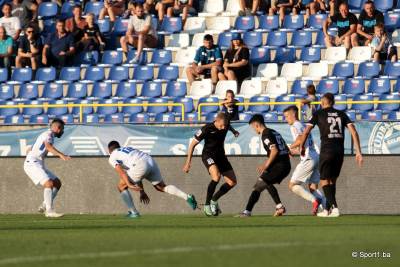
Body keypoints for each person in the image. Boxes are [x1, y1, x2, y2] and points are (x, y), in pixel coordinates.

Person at [299, 93, 363, 217]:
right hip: (339, 151)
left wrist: (302, 146)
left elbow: (306, 131)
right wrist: (358, 152)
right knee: (332, 181)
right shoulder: (342, 114)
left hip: (327, 150)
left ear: (322, 102)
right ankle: (327, 210)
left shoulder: (318, 114)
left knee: (324, 180)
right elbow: (353, 131)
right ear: (333, 102)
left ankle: (335, 208)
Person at [108, 141, 197, 218]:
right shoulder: (127, 149)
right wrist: (142, 191)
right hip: (150, 161)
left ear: (109, 150)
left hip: (139, 164)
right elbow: (136, 174)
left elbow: (122, 172)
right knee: (161, 187)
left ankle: (133, 212)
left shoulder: (112, 156)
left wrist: (128, 184)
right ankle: (187, 197)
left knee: (121, 186)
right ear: (119, 146)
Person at [183, 112, 238, 216]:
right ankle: (207, 205)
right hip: (208, 156)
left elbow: (228, 126)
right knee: (216, 176)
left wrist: (234, 131)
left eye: (225, 125)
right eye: (221, 125)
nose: (223, 128)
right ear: (216, 121)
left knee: (232, 182)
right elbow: (192, 145)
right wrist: (188, 163)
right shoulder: (206, 129)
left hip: (221, 156)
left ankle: (214, 200)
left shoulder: (226, 125)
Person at [237, 114, 291, 217]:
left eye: (253, 127)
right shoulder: (274, 132)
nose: (253, 130)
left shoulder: (265, 134)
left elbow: (274, 151)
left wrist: (265, 166)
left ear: (256, 124)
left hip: (279, 166)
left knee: (258, 186)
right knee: (265, 183)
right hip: (284, 164)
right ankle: (279, 207)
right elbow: (285, 148)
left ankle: (247, 212)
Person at [23, 118, 71, 218]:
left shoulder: (47, 134)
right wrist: (61, 155)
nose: (62, 131)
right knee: (48, 183)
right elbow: (48, 147)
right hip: (32, 163)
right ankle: (49, 211)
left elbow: (33, 148)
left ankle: (45, 204)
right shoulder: (48, 135)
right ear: (58, 128)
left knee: (57, 183)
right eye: (62, 129)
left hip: (38, 163)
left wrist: (30, 151)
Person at [283, 105, 326, 215]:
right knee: (312, 187)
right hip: (315, 156)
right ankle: (327, 208)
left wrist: (289, 147)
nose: (285, 119)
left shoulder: (295, 126)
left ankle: (314, 201)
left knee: (292, 185)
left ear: (293, 115)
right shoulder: (302, 125)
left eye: (287, 116)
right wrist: (295, 151)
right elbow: (305, 144)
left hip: (308, 159)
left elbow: (300, 139)